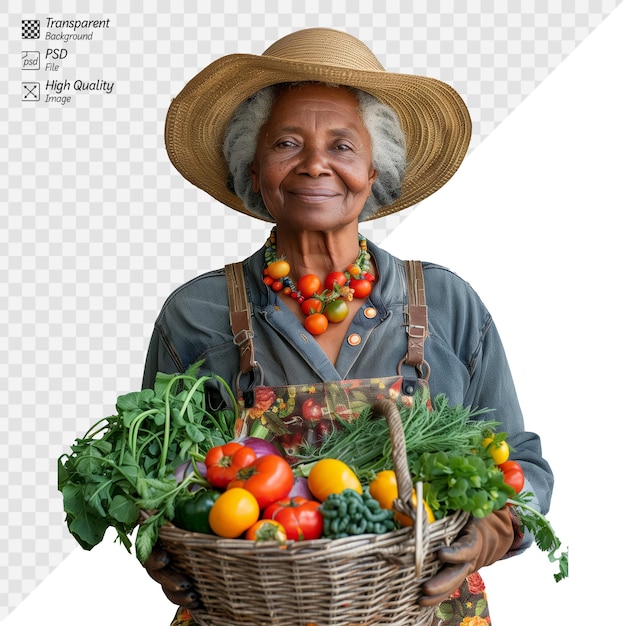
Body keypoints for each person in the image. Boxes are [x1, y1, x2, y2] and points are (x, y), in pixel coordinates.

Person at [142, 28, 554, 626]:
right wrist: (158, 538)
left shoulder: (445, 303)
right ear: (253, 169)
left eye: (342, 145)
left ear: (373, 170)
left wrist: (496, 530)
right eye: (287, 143)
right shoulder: (197, 313)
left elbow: (523, 463)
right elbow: (155, 475)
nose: (315, 164)